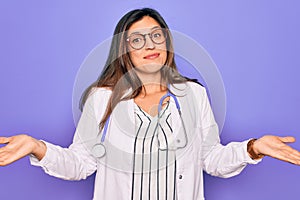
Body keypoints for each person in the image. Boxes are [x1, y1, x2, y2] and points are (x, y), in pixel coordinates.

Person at [0, 7, 299, 200]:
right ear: (124, 51)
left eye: (156, 36)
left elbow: (211, 159)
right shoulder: (102, 98)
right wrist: (37, 147)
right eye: (137, 40)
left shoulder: (193, 96)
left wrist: (252, 148)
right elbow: (80, 163)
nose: (149, 45)